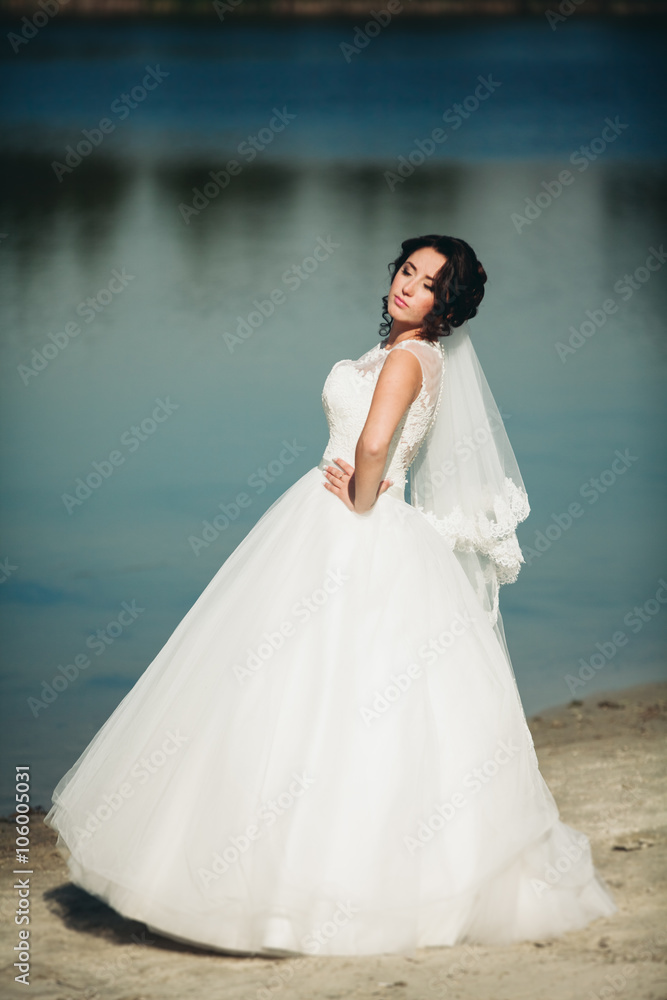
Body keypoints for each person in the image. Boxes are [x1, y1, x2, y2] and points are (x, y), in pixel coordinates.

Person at [45, 234, 617, 958]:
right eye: (406, 271)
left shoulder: (409, 358)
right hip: (358, 521)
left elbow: (375, 446)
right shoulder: (409, 355)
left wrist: (358, 487)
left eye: (428, 283)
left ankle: (290, 890)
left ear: (448, 304)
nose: (409, 285)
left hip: (352, 523)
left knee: (302, 689)